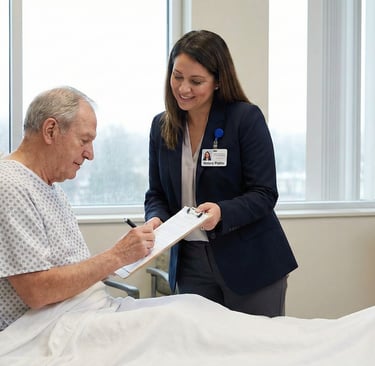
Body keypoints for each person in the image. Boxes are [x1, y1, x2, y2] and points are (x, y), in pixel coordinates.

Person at [144, 30, 298, 317]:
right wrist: (155, 219)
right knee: (200, 351)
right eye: (177, 77)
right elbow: (156, 193)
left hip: (250, 262)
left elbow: (264, 193)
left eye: (196, 81)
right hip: (190, 265)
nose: (183, 88)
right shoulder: (161, 126)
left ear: (217, 81)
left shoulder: (245, 119)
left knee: (256, 351)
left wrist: (221, 212)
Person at [0, 86, 155, 331]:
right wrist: (115, 256)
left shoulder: (50, 188)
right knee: (181, 324)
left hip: (83, 314)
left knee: (191, 309)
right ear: (50, 130)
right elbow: (37, 291)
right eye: (84, 140)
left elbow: (66, 269)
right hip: (48, 329)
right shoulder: (9, 186)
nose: (90, 154)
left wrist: (123, 257)